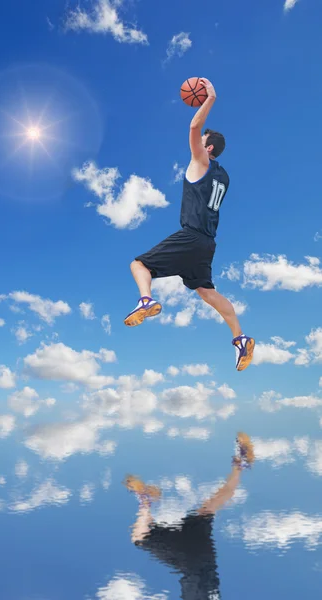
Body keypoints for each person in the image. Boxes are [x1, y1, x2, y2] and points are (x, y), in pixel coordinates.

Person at [124, 78, 254, 371]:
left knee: (138, 265)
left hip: (191, 236)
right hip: (207, 243)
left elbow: (194, 128)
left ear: (208, 148)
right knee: (206, 292)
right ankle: (240, 338)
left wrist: (209, 99)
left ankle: (146, 300)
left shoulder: (201, 162)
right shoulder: (223, 176)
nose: (197, 142)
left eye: (202, 141)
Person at [124, 432, 255, 600]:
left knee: (210, 507)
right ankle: (145, 502)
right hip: (191, 562)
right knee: (140, 537)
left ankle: (240, 465)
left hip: (199, 557)